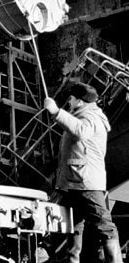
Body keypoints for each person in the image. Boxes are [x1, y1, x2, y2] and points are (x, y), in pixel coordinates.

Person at [44, 82, 123, 263]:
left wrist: (56, 112)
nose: (69, 102)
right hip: (74, 183)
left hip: (85, 182)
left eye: (71, 99)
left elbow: (81, 131)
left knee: (104, 226)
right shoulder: (84, 115)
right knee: (73, 227)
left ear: (79, 101)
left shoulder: (91, 117)